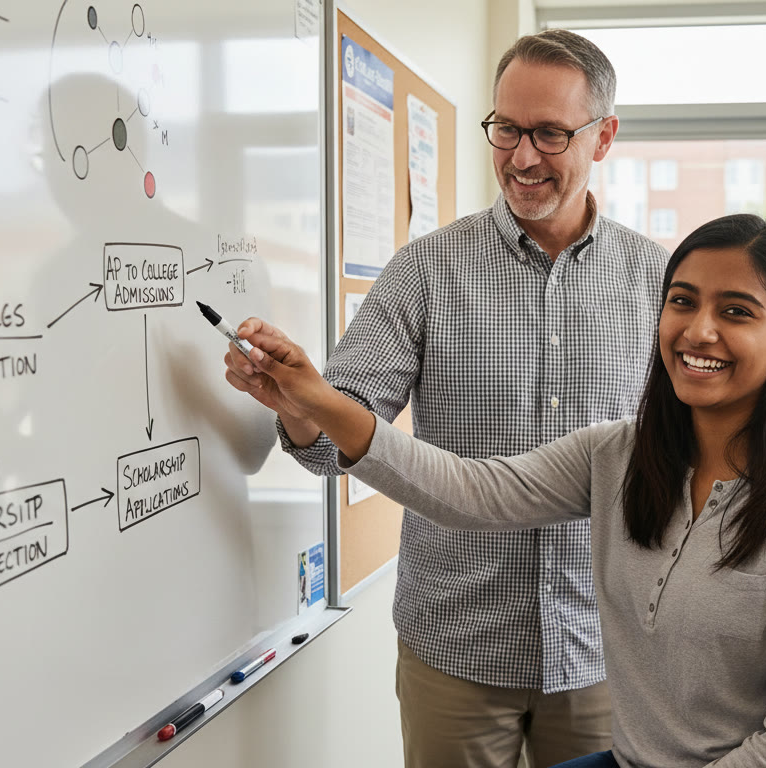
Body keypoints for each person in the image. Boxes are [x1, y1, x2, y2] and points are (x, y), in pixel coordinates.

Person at [225, 214, 766, 768]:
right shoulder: (621, 454)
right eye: (682, 301)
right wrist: (315, 398)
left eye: (735, 312)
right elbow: (468, 490)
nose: (698, 331)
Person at [266, 29, 667, 768]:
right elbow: (331, 443)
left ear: (604, 136)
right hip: (454, 647)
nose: (521, 157)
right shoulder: (424, 271)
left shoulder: (660, 282)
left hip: (606, 654)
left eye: (549, 133)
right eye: (507, 129)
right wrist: (300, 405)